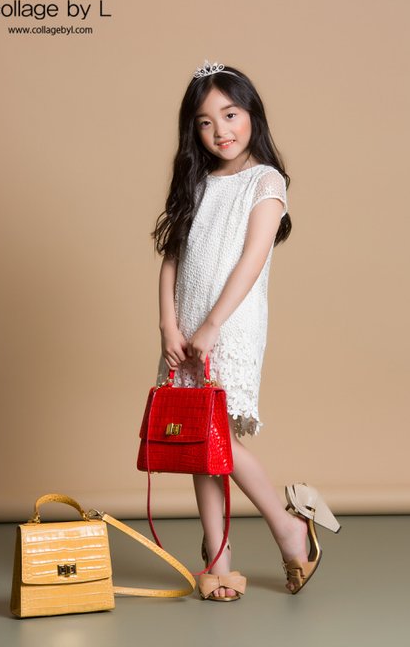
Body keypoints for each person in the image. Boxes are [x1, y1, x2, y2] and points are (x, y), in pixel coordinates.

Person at [152, 60, 340, 601]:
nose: (221, 131)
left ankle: (288, 528)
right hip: (186, 326)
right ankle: (217, 559)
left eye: (230, 114)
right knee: (198, 441)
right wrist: (169, 324)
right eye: (205, 122)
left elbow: (252, 260)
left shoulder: (266, 181)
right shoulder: (196, 183)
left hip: (229, 325)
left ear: (252, 113)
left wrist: (212, 326)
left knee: (218, 437)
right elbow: (172, 258)